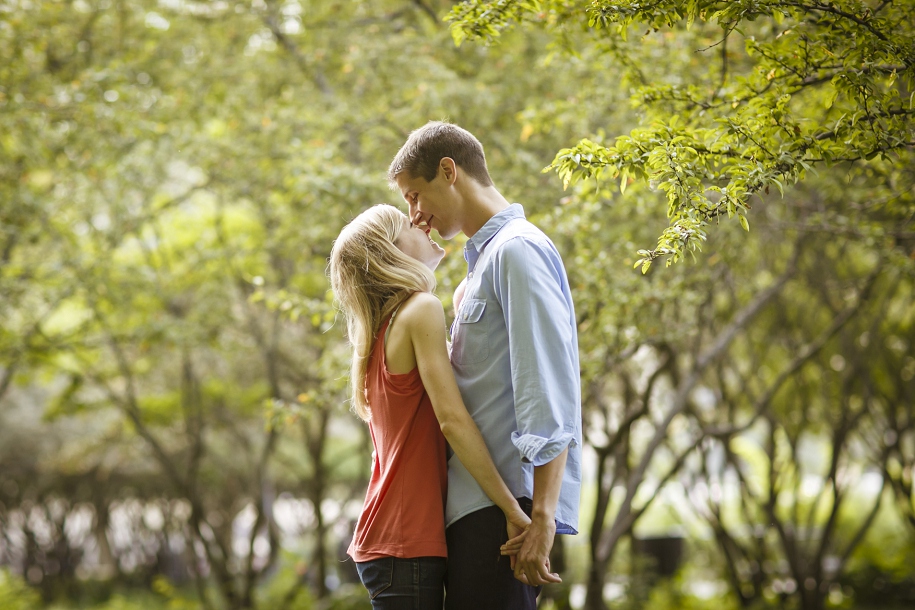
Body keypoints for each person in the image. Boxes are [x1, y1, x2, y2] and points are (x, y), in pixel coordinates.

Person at [388, 121, 582, 610]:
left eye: (415, 196)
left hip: (503, 520)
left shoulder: (517, 251)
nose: (415, 216)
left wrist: (541, 516)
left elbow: (547, 389)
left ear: (448, 171)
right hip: (474, 511)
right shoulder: (479, 268)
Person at [329, 204, 531, 609]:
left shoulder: (386, 326)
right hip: (405, 539)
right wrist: (512, 509)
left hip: (393, 538)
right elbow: (452, 421)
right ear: (390, 251)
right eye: (407, 224)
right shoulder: (419, 309)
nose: (421, 222)